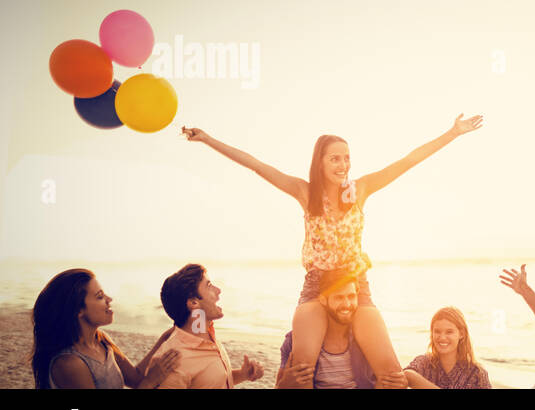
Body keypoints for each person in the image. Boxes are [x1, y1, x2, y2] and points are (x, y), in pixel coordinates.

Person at [180, 114, 484, 382]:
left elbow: (407, 161)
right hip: (316, 287)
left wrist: (452, 133)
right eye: (334, 158)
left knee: (392, 375)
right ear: (320, 162)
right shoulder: (305, 192)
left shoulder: (361, 190)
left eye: (346, 157)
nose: (343, 164)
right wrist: (208, 139)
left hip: (356, 288)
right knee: (300, 371)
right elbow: (257, 165)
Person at [31, 268, 180, 389]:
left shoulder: (101, 340)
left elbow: (135, 378)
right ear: (78, 310)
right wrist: (150, 382)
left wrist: (166, 337)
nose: (109, 299)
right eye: (100, 296)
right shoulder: (69, 364)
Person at [277, 269, 407, 389]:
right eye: (339, 297)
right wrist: (284, 384)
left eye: (351, 296)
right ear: (323, 300)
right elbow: (278, 386)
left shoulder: (366, 340)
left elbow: (390, 379)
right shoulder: (294, 341)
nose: (347, 304)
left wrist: (402, 381)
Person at [153, 264, 264, 388]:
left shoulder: (207, 336)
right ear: (194, 302)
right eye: (209, 286)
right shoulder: (173, 361)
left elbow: (210, 381)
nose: (218, 290)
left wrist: (243, 375)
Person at [403, 306, 491, 389]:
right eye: (437, 331)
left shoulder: (477, 374)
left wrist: (415, 381)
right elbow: (406, 374)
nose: (442, 338)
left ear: (461, 334)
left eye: (449, 332)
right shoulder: (424, 362)